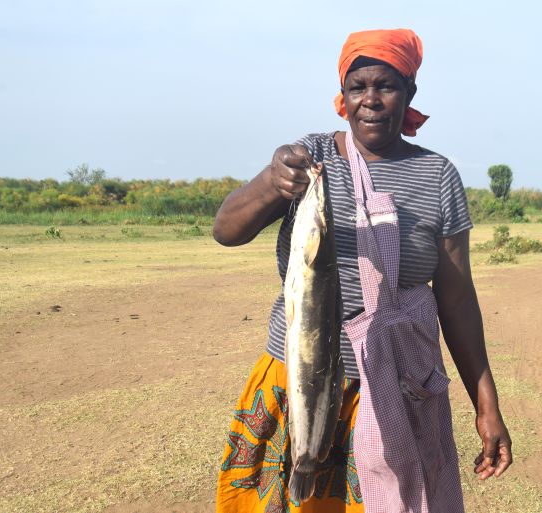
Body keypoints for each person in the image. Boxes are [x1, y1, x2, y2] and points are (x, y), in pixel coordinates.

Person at [213, 28, 512, 513]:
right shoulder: (312, 158)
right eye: (358, 87)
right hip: (299, 381)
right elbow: (226, 230)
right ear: (343, 96)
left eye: (386, 86)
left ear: (409, 91)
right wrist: (272, 181)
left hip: (398, 387)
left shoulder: (437, 176)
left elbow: (457, 300)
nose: (370, 100)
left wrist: (487, 406)